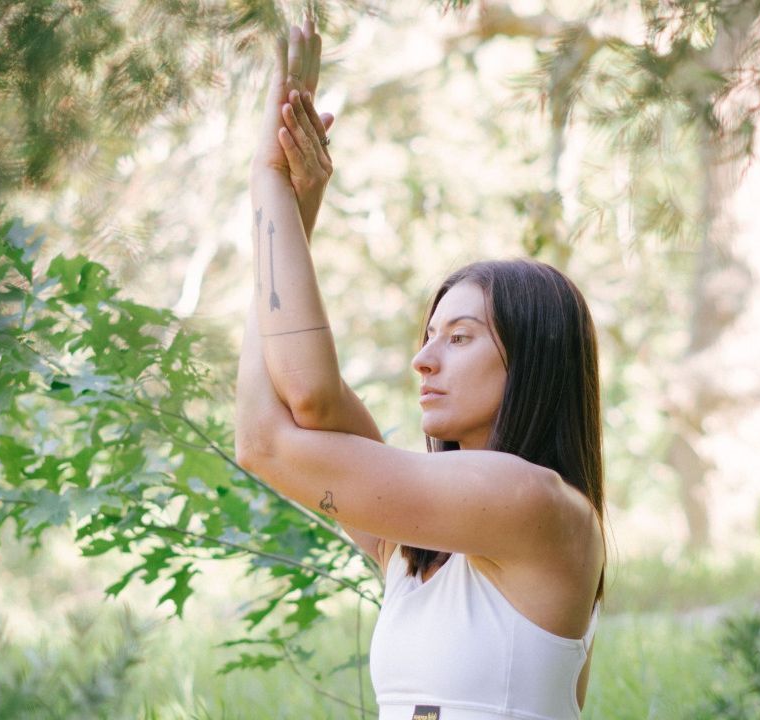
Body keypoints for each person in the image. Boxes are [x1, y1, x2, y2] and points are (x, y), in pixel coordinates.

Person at [234, 15, 605, 720]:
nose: (421, 359)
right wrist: (293, 212)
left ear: (532, 362)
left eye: (459, 338)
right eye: (428, 335)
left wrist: (267, 183)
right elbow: (280, 414)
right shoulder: (416, 544)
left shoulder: (537, 505)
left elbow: (274, 430)